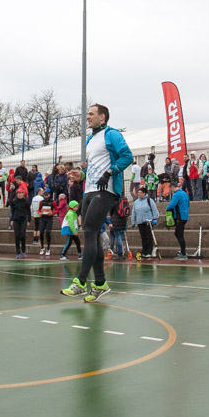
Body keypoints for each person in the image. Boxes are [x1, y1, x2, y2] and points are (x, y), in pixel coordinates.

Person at [60, 104, 134, 303]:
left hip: (106, 191)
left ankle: (81, 282)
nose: (87, 117)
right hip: (90, 191)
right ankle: (100, 283)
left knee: (91, 231)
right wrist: (81, 174)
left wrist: (110, 172)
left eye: (91, 114)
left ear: (102, 117)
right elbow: (93, 167)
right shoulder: (90, 140)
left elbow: (127, 156)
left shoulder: (112, 134)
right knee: (90, 235)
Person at [129, 185, 159, 259]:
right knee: (143, 237)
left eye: (140, 193)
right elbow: (134, 212)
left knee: (148, 237)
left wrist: (155, 219)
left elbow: (154, 210)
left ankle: (149, 251)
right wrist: (133, 221)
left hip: (148, 221)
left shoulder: (149, 200)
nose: (139, 194)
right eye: (138, 192)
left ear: (144, 193)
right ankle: (144, 251)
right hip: (140, 222)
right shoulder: (136, 202)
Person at [165, 179, 191, 260]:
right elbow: (188, 204)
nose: (170, 190)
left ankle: (183, 252)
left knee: (179, 234)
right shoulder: (184, 193)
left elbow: (172, 205)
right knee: (179, 233)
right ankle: (183, 251)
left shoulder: (176, 194)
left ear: (172, 187)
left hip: (180, 216)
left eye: (170, 188)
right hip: (185, 216)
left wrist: (167, 208)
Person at [9, 187, 31, 258]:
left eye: (21, 193)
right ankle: (18, 252)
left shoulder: (26, 202)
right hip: (16, 219)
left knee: (22, 235)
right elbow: (12, 211)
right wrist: (11, 220)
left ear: (23, 194)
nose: (19, 194)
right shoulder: (14, 201)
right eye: (18, 193)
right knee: (17, 236)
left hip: (23, 219)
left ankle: (23, 250)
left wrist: (28, 220)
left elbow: (28, 211)